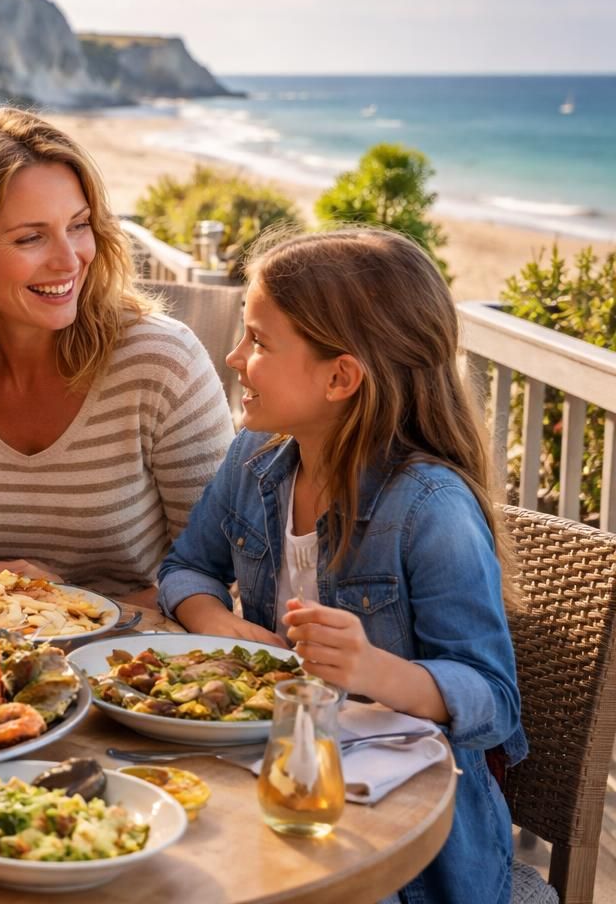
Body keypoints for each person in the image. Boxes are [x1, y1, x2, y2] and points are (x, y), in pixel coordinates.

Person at [157, 228, 525, 903]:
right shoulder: (254, 461)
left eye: (258, 341)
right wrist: (215, 621)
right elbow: (186, 567)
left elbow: (494, 701)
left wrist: (372, 670)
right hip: (276, 779)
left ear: (340, 377)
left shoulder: (430, 510)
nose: (234, 358)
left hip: (408, 854)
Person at [0, 108, 233, 603]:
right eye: (31, 237)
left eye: (79, 225)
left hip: (135, 643)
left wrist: (63, 603)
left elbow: (221, 571)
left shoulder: (162, 362)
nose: (69, 259)